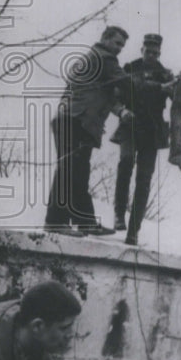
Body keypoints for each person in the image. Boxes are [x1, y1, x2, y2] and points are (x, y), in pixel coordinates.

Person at [44, 25, 132, 237]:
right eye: (117, 42)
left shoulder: (92, 58)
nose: (119, 48)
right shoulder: (105, 58)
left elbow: (102, 92)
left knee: (79, 172)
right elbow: (127, 84)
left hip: (72, 119)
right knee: (69, 169)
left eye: (122, 45)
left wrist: (120, 110)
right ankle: (55, 222)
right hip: (77, 121)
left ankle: (86, 222)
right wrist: (157, 87)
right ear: (105, 38)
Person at [111, 33, 181, 245]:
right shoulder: (130, 68)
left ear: (160, 53)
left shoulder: (164, 74)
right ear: (142, 50)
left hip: (152, 132)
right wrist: (121, 111)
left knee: (144, 180)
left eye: (156, 53)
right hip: (130, 125)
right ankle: (118, 214)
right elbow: (115, 96)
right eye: (148, 51)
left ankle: (133, 230)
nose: (152, 55)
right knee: (126, 161)